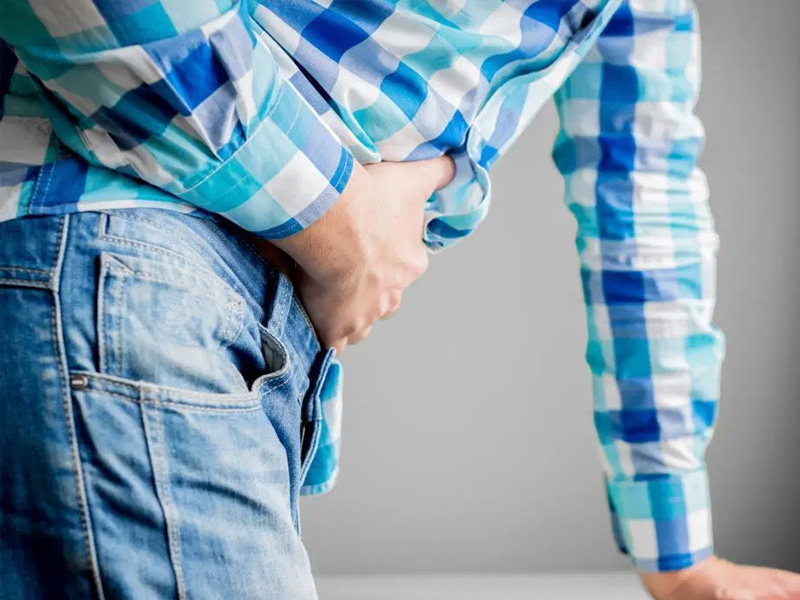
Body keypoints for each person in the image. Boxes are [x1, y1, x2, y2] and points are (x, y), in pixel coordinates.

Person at [0, 0, 797, 598]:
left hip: (153, 315)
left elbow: (643, 206)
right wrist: (341, 224)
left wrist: (679, 550)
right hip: (116, 261)